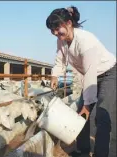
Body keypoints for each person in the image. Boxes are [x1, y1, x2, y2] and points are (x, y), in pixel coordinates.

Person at [46, 6, 116, 157]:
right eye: (53, 30)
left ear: (69, 23)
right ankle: (83, 150)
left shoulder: (85, 41)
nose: (56, 33)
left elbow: (90, 73)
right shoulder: (62, 41)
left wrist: (88, 104)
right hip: (91, 76)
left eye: (58, 29)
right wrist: (55, 76)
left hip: (108, 73)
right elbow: (60, 61)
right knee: (80, 114)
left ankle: (100, 154)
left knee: (102, 116)